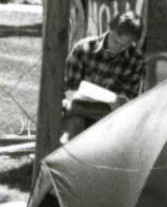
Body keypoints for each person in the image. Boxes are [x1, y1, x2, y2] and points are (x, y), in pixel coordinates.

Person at [61, 10, 146, 140]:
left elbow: (129, 100)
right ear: (110, 29)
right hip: (81, 112)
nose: (118, 49)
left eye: (125, 46)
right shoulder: (83, 48)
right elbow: (68, 89)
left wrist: (115, 104)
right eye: (116, 42)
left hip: (110, 118)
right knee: (71, 129)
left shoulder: (136, 59)